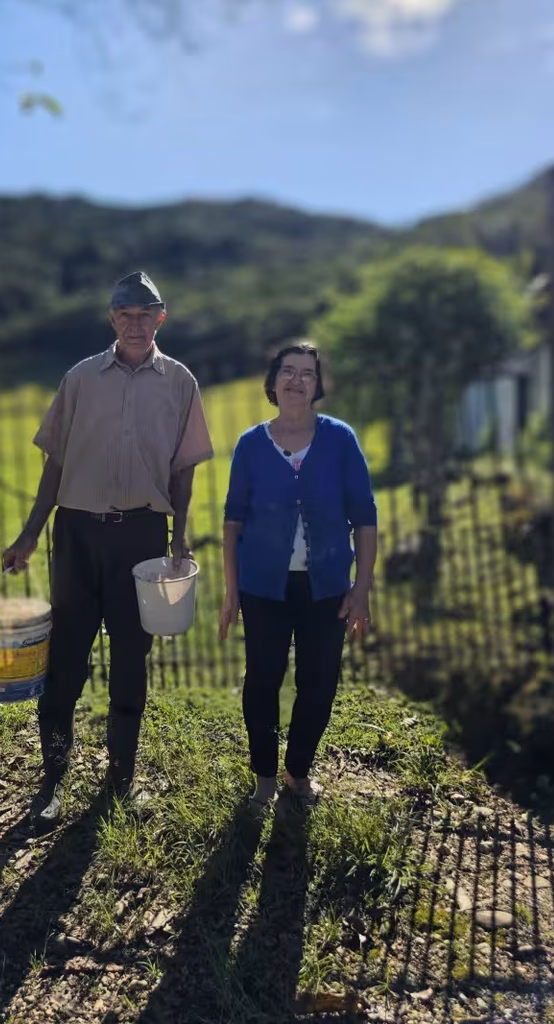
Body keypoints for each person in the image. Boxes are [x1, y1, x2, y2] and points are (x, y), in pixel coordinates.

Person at [2, 271, 214, 824]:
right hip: (76, 533)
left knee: (130, 658)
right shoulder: (80, 379)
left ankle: (121, 780)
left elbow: (184, 470)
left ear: (161, 318)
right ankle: (52, 781)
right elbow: (55, 463)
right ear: (112, 318)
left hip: (142, 537)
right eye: (125, 315)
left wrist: (180, 535)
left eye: (145, 315)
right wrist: (30, 532)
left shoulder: (180, 382)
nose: (135, 324)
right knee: (66, 656)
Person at [219, 343, 377, 808]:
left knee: (319, 683)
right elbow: (233, 522)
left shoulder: (340, 439)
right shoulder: (251, 445)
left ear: (318, 385)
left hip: (326, 588)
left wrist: (362, 589)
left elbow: (365, 517)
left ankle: (298, 772)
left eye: (307, 373)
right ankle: (265, 777)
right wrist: (231, 592)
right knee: (262, 681)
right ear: (272, 382)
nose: (296, 380)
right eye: (287, 371)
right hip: (263, 588)